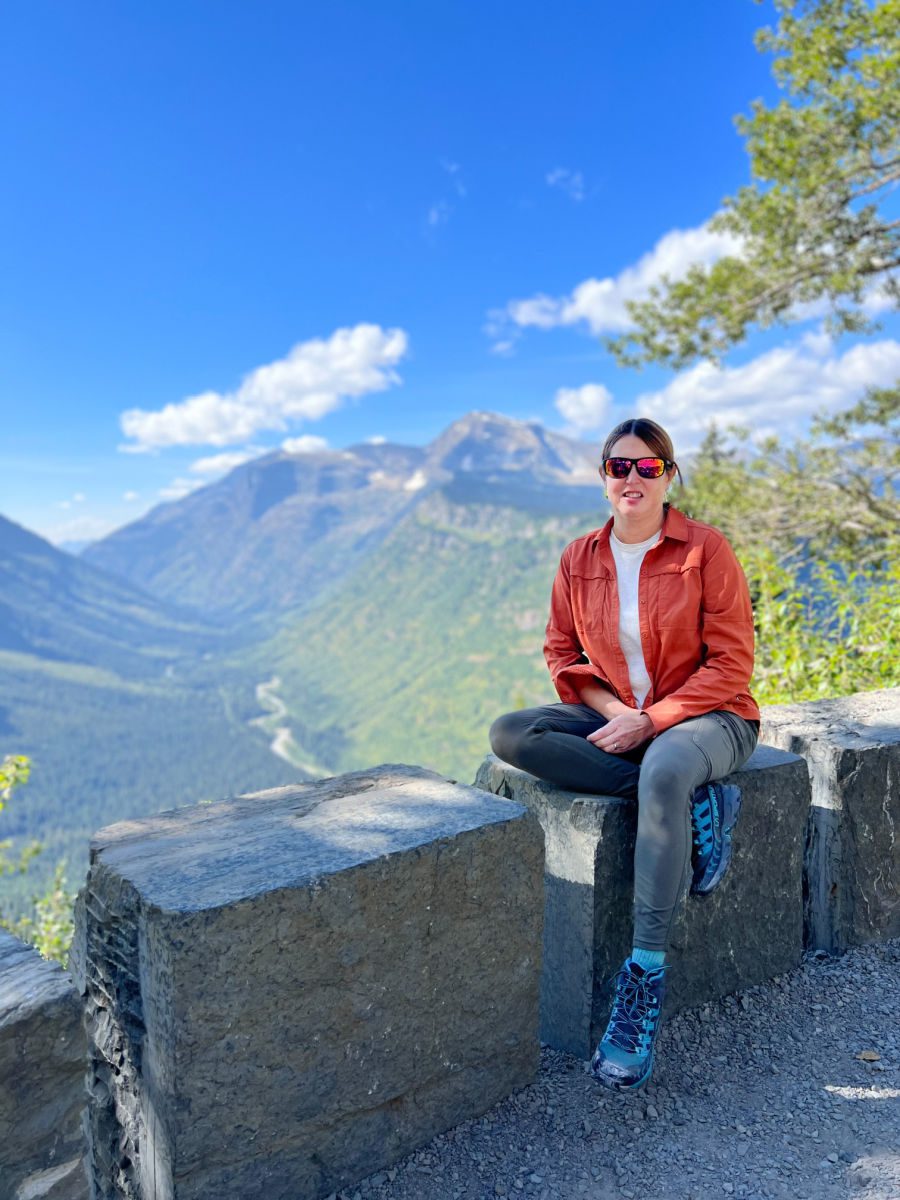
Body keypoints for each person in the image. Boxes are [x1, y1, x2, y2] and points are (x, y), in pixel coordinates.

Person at [489, 417, 760, 1092]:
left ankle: (643, 974)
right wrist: (618, 715)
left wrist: (656, 720)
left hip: (710, 717)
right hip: (622, 715)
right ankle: (693, 800)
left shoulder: (705, 550)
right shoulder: (579, 558)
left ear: (668, 477)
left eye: (648, 467)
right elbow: (562, 654)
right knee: (514, 734)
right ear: (603, 477)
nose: (632, 479)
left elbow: (732, 665)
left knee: (667, 764)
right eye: (619, 467)